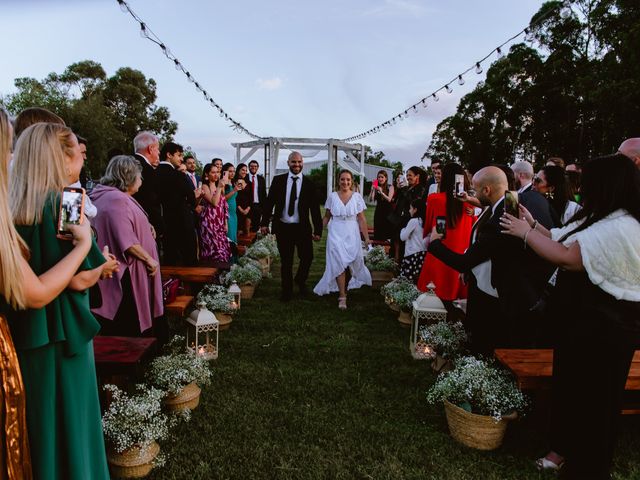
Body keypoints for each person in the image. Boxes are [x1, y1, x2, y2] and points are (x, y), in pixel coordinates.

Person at [500, 153, 640, 480]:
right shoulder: (603, 217)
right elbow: (563, 237)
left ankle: (588, 468)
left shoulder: (623, 226)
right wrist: (533, 225)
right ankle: (562, 451)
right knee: (570, 392)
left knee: (596, 403)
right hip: (581, 326)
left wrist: (523, 233)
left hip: (608, 330)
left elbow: (567, 257)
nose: (582, 190)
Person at [8, 122, 118, 480]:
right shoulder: (67, 202)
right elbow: (82, 277)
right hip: (66, 336)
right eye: (78, 153)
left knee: (36, 429)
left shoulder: (11, 206)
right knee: (73, 425)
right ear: (61, 158)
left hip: (22, 336)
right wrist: (93, 254)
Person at [428, 166, 553, 351]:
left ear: (487, 190)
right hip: (525, 290)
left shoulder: (498, 222)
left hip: (507, 295)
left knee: (489, 343)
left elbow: (463, 262)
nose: (473, 194)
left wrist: (434, 244)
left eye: (476, 189)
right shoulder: (515, 203)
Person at [90, 155, 164, 337]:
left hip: (119, 269)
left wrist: (146, 226)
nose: (141, 180)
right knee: (129, 323)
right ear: (129, 176)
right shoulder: (117, 199)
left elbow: (125, 222)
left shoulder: (108, 195)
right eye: (139, 176)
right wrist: (150, 259)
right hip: (126, 273)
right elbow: (126, 240)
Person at [260, 151, 322, 301]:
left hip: (302, 228)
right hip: (284, 227)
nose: (297, 165)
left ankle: (300, 281)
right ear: (288, 163)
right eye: (293, 162)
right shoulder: (278, 180)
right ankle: (286, 291)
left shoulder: (309, 184)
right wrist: (263, 223)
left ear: (303, 163)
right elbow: (269, 203)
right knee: (286, 261)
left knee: (307, 257)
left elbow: (314, 209)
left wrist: (318, 230)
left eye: (299, 162)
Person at [314, 170, 371, 308]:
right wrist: (318, 231)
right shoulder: (332, 197)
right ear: (338, 181)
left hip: (352, 232)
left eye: (348, 180)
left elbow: (362, 219)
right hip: (336, 232)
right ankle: (342, 296)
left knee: (351, 263)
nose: (345, 182)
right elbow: (327, 216)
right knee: (339, 262)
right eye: (342, 179)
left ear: (352, 182)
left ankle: (345, 287)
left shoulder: (357, 197)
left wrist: (367, 238)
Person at [417, 163, 475, 300]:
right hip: (461, 251)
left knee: (433, 294)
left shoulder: (434, 199)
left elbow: (428, 224)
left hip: (440, 249)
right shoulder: (470, 202)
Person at [156, 142, 197, 265]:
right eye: (179, 155)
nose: (181, 159)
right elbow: (192, 199)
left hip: (163, 224)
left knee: (170, 259)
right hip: (182, 223)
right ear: (169, 155)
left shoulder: (153, 173)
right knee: (188, 261)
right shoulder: (178, 175)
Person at [132, 131, 163, 242]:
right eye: (157, 149)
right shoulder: (148, 171)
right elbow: (152, 202)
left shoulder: (127, 163)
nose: (159, 152)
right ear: (150, 148)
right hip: (147, 228)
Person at [199, 163, 231, 265]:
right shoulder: (205, 186)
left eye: (217, 172)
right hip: (209, 222)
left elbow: (224, 205)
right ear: (206, 175)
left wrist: (225, 223)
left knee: (222, 247)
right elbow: (214, 202)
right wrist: (219, 187)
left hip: (220, 221)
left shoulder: (220, 187)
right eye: (213, 172)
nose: (216, 175)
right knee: (213, 249)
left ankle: (221, 274)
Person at [399, 198, 428, 284]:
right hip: (422, 254)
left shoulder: (413, 221)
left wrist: (403, 229)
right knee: (419, 279)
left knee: (407, 280)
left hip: (412, 254)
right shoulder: (424, 221)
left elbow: (403, 237)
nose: (409, 210)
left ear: (415, 210)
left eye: (410, 208)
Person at [368, 170, 394, 242]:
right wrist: (372, 189)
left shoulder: (390, 187)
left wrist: (381, 192)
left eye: (382, 177)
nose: (380, 179)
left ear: (386, 178)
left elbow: (389, 199)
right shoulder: (377, 187)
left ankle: (386, 249)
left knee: (387, 232)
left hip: (388, 212)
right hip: (379, 212)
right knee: (378, 231)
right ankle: (378, 248)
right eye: (379, 177)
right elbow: (371, 199)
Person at [222, 162, 242, 245]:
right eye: (230, 171)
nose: (232, 173)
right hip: (227, 213)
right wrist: (234, 190)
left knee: (233, 235)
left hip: (234, 213)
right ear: (225, 172)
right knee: (229, 235)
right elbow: (222, 199)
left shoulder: (234, 182)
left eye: (233, 171)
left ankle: (234, 256)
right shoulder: (223, 183)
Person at [247, 160, 267, 232]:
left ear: (257, 167)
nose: (253, 168)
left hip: (258, 206)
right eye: (252, 166)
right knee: (246, 226)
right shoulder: (244, 178)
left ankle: (254, 242)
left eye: (255, 166)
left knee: (255, 227)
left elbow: (264, 194)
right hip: (247, 205)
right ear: (249, 167)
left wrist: (263, 208)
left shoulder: (261, 179)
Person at [235, 163, 251, 235]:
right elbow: (235, 197)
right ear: (238, 170)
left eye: (246, 170)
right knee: (239, 232)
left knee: (247, 232)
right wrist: (240, 209)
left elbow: (251, 197)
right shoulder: (233, 182)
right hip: (237, 209)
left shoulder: (249, 182)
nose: (245, 172)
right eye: (243, 170)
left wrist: (248, 208)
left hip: (248, 210)